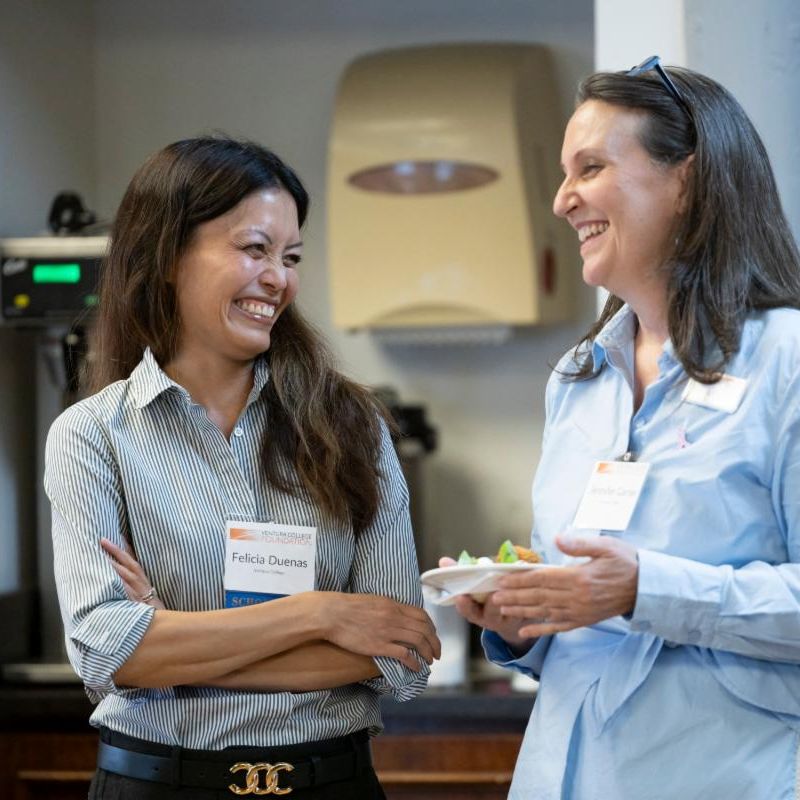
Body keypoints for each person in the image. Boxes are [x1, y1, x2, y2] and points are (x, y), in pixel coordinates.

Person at [44, 136, 440, 800]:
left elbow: (399, 654)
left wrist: (173, 643)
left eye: (290, 257)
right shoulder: (92, 436)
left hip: (330, 783)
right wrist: (318, 614)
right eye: (254, 249)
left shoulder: (352, 425)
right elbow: (106, 650)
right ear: (167, 256)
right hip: (157, 784)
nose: (278, 278)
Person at [448, 57, 800, 799]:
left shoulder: (785, 359)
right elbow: (586, 613)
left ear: (687, 181)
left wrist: (645, 589)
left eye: (591, 168)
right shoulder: (578, 377)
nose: (562, 198)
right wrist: (521, 615)